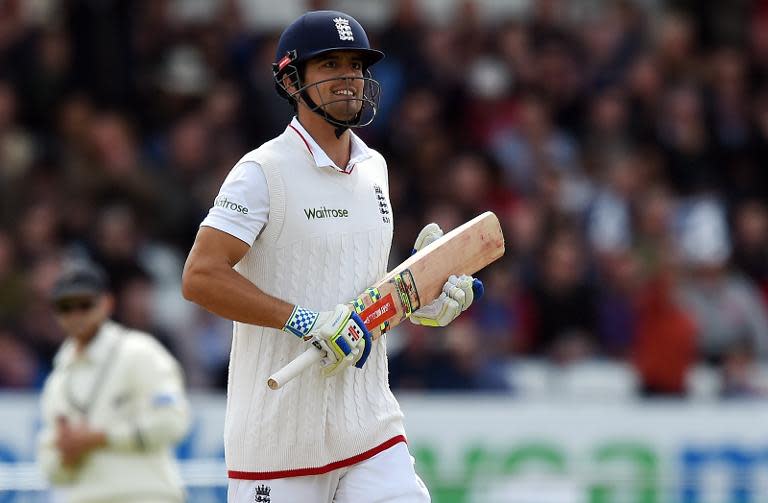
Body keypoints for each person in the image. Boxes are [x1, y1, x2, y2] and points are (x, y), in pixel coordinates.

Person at [182, 10, 480, 503]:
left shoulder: (374, 168)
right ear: (292, 80)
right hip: (279, 443)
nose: (349, 79)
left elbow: (359, 294)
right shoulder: (262, 171)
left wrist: (421, 300)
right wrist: (302, 320)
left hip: (370, 428)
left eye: (357, 66)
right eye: (330, 66)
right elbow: (200, 277)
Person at [37, 259, 190, 503]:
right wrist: (67, 454)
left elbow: (172, 421)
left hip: (146, 495)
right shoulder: (58, 378)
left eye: (85, 304)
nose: (75, 314)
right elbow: (49, 465)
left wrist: (99, 437)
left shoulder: (139, 352)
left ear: (107, 303)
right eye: (65, 306)